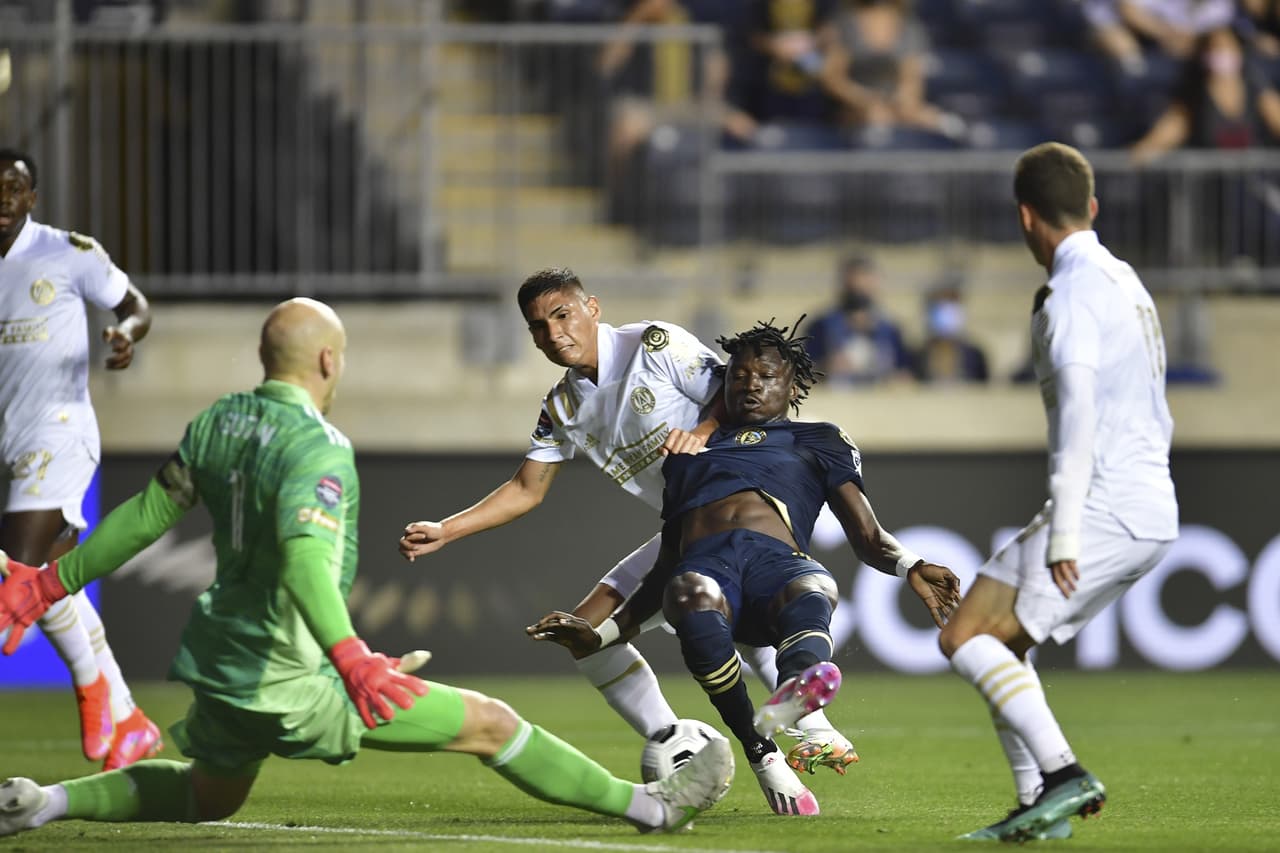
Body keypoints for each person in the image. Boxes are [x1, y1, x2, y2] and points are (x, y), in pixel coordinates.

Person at [0, 297, 734, 838]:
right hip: (290, 674)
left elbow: (144, 515)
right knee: (492, 724)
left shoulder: (218, 421)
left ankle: (43, 801)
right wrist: (352, 660)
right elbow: (303, 565)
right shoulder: (317, 446)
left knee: (209, 795)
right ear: (329, 361)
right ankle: (654, 808)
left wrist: (46, 583)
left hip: (220, 658)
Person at [399, 268, 848, 815]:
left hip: (740, 515)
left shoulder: (654, 344)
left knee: (739, 618)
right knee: (587, 636)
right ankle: (687, 748)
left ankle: (802, 731)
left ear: (592, 308)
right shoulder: (562, 405)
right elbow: (526, 488)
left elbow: (740, 393)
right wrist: (447, 529)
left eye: (562, 315)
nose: (554, 333)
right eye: (538, 326)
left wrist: (702, 433)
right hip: (684, 532)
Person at [529, 318, 962, 816]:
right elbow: (666, 562)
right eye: (738, 376)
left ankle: (797, 698)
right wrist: (601, 634)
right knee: (686, 593)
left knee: (811, 586)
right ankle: (763, 749)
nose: (750, 385)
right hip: (708, 571)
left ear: (792, 386)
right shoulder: (687, 456)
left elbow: (866, 535)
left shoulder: (819, 439)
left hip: (776, 565)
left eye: (766, 376)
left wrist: (910, 565)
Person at [937, 143, 1179, 842]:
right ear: (1091, 206)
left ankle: (1062, 774)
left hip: (1105, 503)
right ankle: (1039, 807)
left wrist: (1066, 528)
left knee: (964, 635)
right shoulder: (1126, 281)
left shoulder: (1072, 293)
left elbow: (1078, 412)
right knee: (994, 639)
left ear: (1025, 217)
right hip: (1142, 497)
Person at [0, 147, 161, 770]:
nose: (4, 199)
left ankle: (93, 688)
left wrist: (126, 336)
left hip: (58, 431)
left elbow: (135, 306)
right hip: (7, 442)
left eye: (14, 188)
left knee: (18, 569)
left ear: (32, 198)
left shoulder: (68, 253)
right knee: (51, 583)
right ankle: (128, 718)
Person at [802, 254, 912, 385]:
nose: (858, 286)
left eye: (864, 282)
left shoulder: (890, 330)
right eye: (852, 283)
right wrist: (826, 367)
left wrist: (894, 378)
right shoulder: (820, 327)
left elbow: (906, 374)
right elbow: (803, 374)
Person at [911, 283, 990, 385]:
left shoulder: (975, 356)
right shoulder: (917, 357)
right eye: (940, 306)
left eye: (951, 305)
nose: (947, 314)